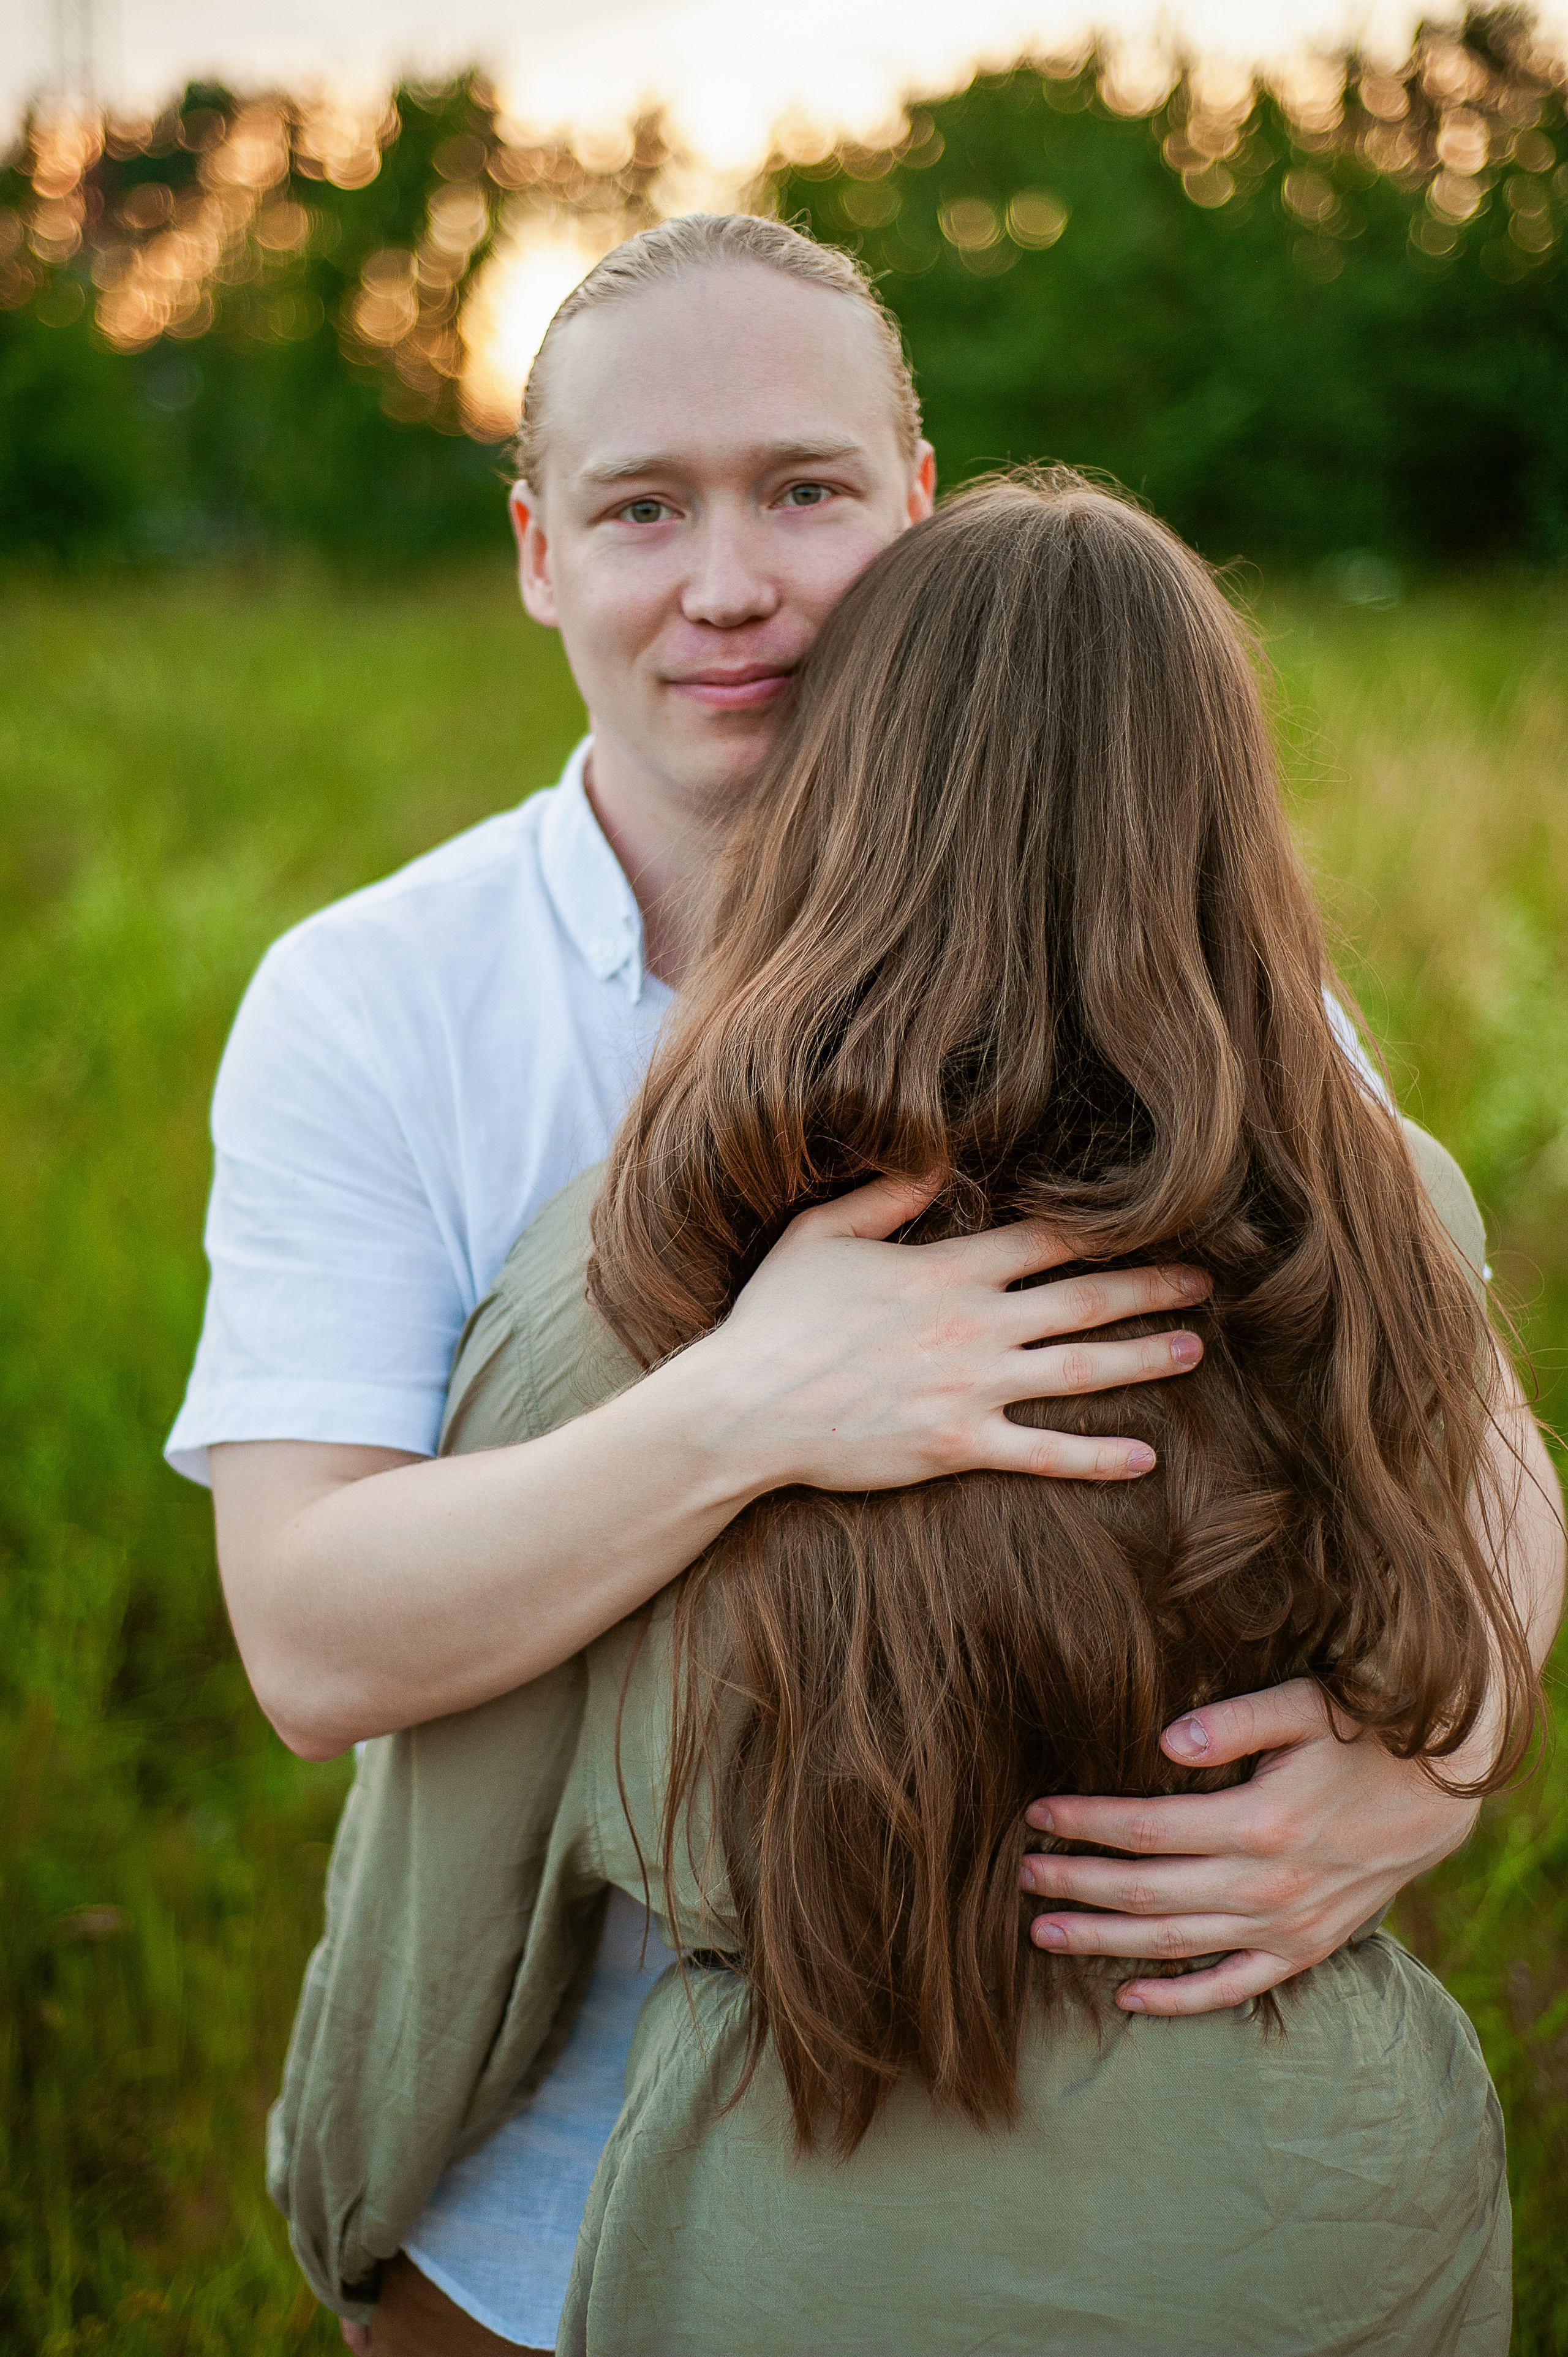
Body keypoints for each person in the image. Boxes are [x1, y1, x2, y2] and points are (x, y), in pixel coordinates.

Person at [170, 216, 1544, 2348]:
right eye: (645, 510)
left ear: (916, 506)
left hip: (1132, 2201)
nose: (730, 583)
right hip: (539, 2223)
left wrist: (1428, 1774)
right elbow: (310, 1637)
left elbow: (1477, 1443)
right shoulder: (380, 1003)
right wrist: (752, 1406)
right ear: (542, 553)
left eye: (803, 492)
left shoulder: (1159, 958)